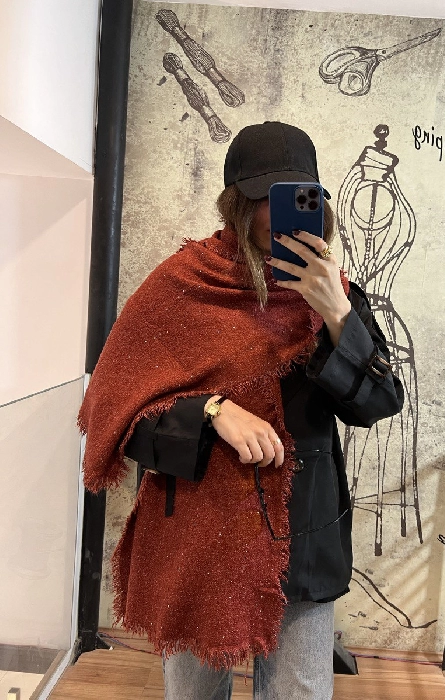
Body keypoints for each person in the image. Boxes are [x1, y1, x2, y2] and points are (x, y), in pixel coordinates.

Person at [79, 121, 404, 700]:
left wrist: (337, 315)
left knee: (300, 693)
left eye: (299, 198)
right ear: (237, 205)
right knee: (194, 694)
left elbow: (379, 402)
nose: (283, 216)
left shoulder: (333, 293)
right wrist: (210, 411)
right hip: (197, 532)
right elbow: (118, 410)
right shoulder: (183, 284)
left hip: (301, 533)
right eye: (267, 199)